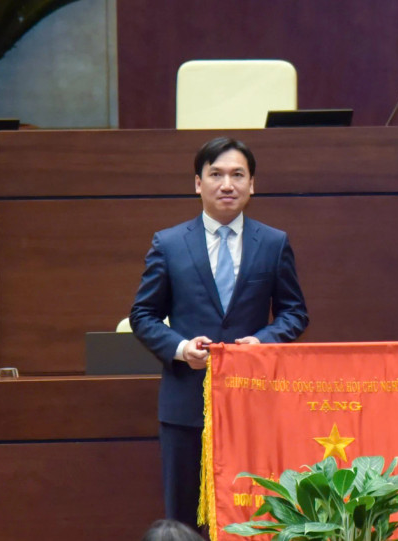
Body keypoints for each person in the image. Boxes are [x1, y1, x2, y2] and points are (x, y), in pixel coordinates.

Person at [130, 137, 309, 530]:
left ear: (252, 184)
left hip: (254, 403)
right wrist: (179, 347)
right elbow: (143, 315)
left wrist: (262, 342)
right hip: (186, 403)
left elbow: (294, 313)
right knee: (185, 516)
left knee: (254, 515)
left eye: (237, 175)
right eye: (216, 174)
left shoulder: (274, 243)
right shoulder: (169, 243)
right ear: (198, 183)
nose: (227, 184)